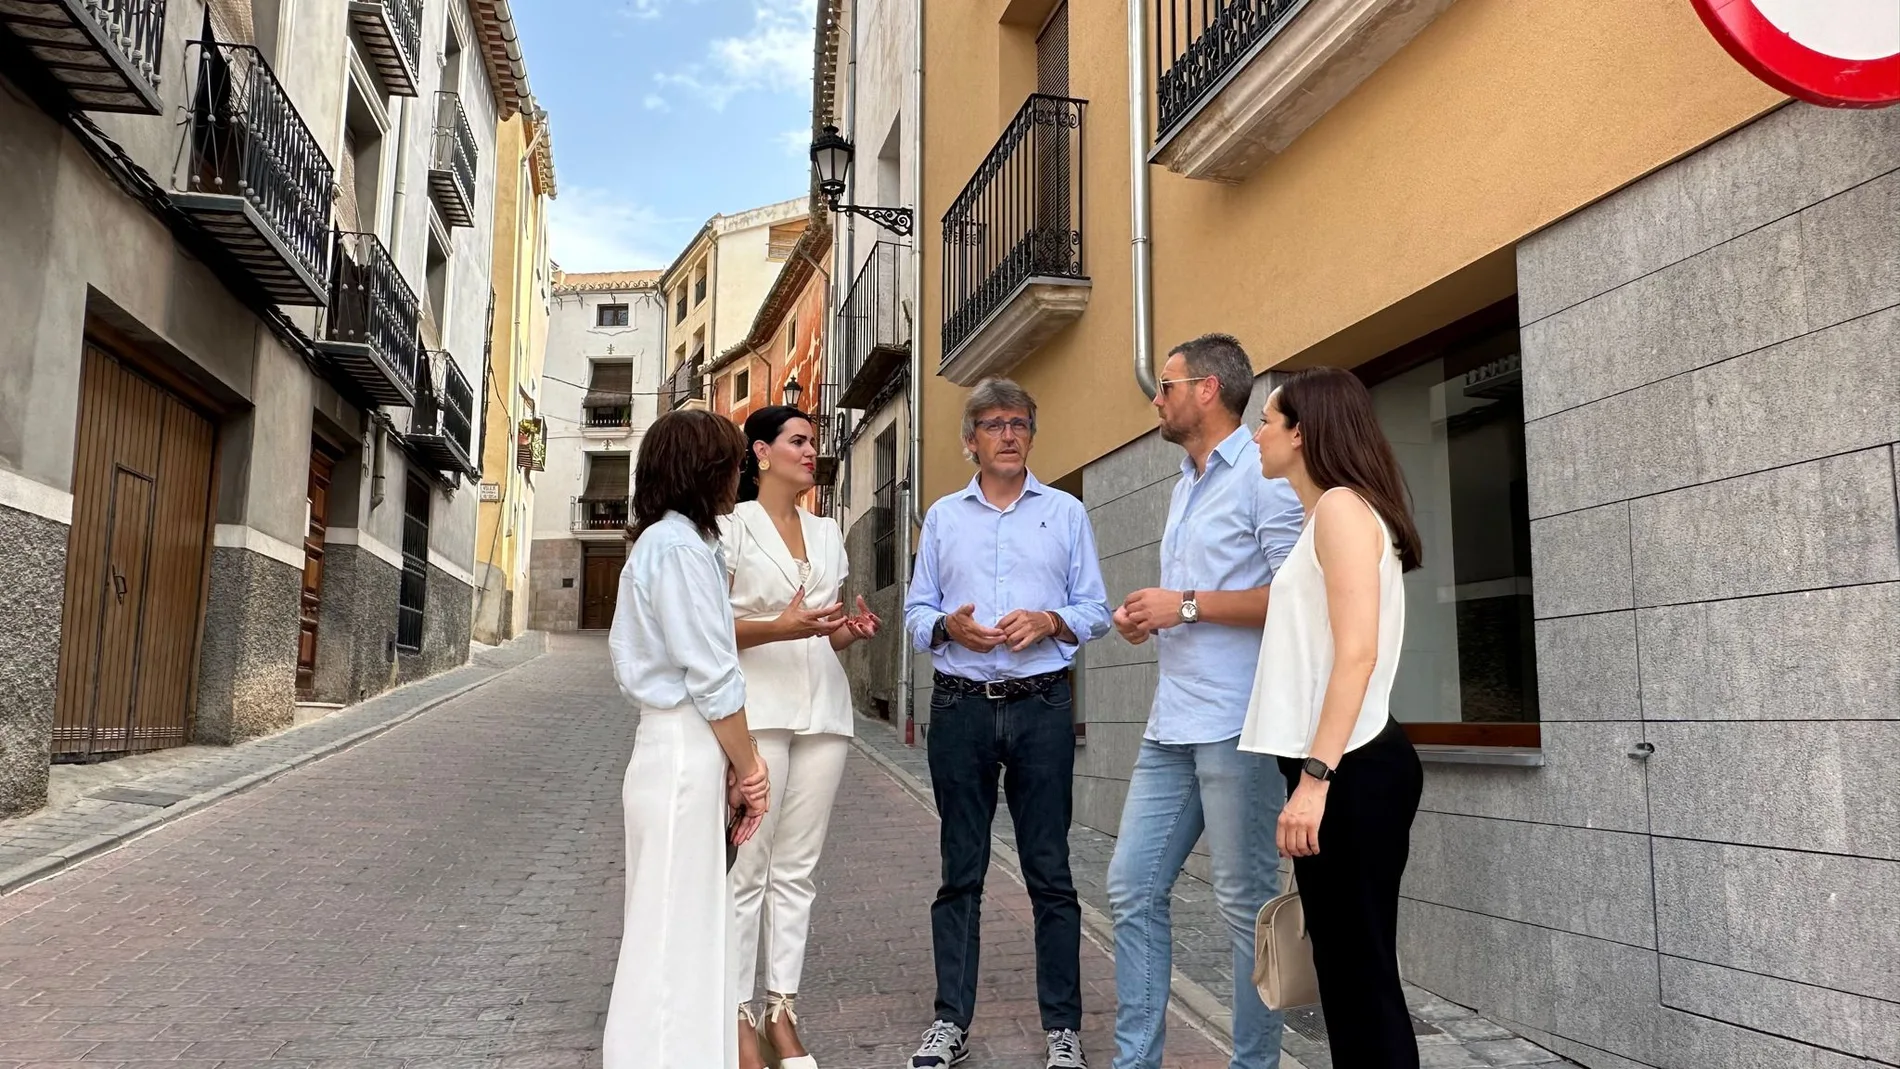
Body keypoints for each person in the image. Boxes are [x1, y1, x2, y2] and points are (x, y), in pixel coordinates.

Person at [903, 377, 1113, 1069]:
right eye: (993, 424)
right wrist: (947, 626)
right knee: (960, 870)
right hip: (960, 706)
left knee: (1049, 870)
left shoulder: (1066, 513)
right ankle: (948, 1022)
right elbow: (914, 615)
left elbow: (1096, 610)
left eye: (1019, 422)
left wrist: (1052, 619)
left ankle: (1062, 1031)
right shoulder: (942, 517)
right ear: (971, 439)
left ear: (1031, 432)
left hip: (1043, 705)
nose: (1008, 434)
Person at [1107, 335, 1304, 1069]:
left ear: (1208, 389)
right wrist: (1146, 619)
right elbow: (1185, 608)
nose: (1155, 398)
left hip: (1238, 721)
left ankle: (1254, 1064)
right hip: (1172, 722)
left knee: (1244, 906)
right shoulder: (1184, 484)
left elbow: (1295, 594)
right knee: (1130, 888)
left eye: (1166, 385)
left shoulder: (1262, 471)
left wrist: (1183, 604)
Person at [1238, 367, 1425, 1069]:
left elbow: (1357, 655)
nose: (1257, 432)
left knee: (1361, 978)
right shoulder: (1332, 512)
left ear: (1302, 432)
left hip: (1351, 767)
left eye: (1268, 418)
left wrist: (1314, 780)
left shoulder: (1344, 508)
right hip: (1347, 764)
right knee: (1348, 977)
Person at [602, 408, 772, 1069]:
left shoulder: (679, 545)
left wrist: (731, 765)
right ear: (703, 471)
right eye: (732, 463)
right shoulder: (676, 548)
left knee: (683, 926)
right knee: (670, 931)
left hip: (683, 750)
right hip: (679, 751)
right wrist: (751, 768)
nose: (741, 475)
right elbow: (714, 673)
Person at [722, 405, 881, 1069]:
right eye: (797, 440)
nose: (810, 450)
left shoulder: (827, 533)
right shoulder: (729, 529)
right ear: (760, 452)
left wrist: (849, 631)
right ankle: (735, 1017)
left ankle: (783, 1011)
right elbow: (707, 634)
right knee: (748, 871)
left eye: (813, 441)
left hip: (825, 714)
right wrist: (778, 626)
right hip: (759, 710)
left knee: (798, 871)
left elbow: (822, 634)